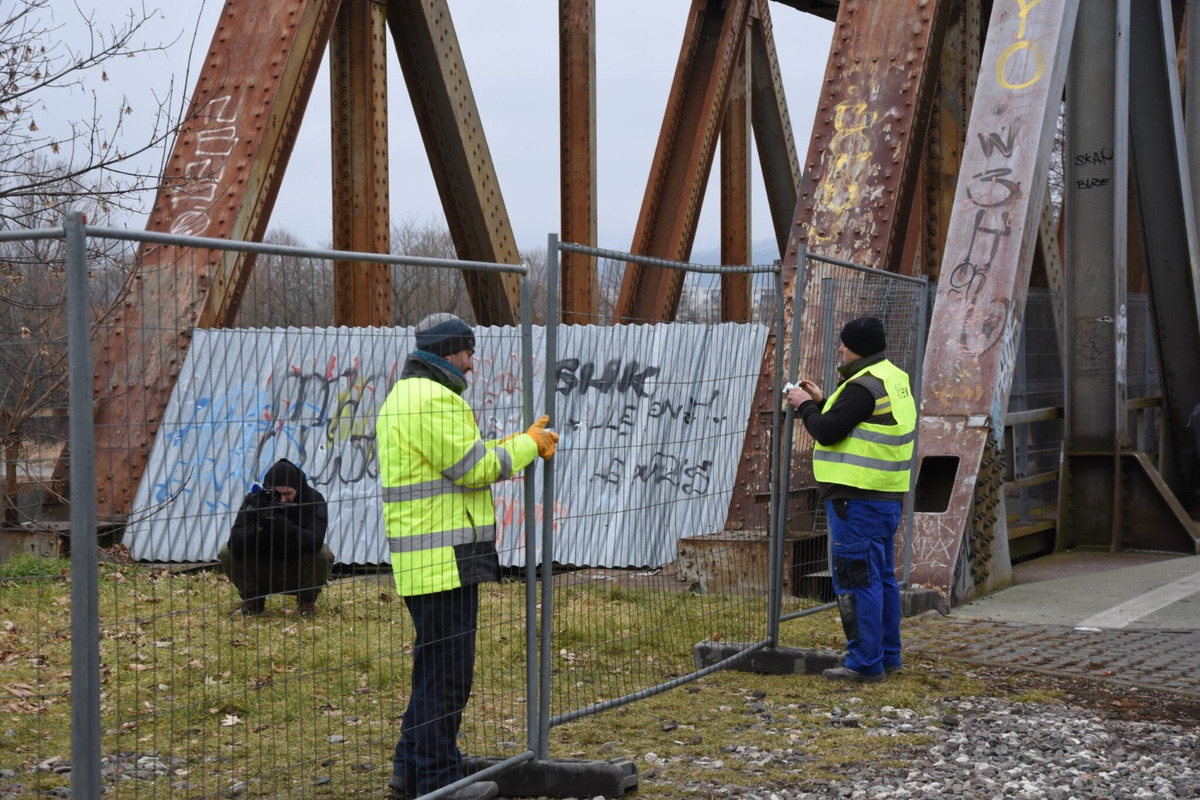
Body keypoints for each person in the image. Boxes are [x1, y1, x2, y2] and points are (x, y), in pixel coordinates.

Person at [376, 313, 558, 800]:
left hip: (425, 562)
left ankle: (409, 774)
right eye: (468, 354)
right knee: (448, 679)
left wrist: (513, 442)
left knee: (432, 670)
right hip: (446, 563)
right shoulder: (435, 400)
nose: (473, 365)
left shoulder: (405, 396)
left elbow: (457, 461)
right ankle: (438, 783)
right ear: (449, 352)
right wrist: (527, 445)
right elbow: (475, 469)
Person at [786, 316, 916, 683]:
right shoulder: (892, 378)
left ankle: (863, 663)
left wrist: (803, 405)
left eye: (843, 344)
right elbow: (864, 422)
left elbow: (827, 432)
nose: (839, 349)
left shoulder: (861, 386)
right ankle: (889, 657)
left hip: (855, 500)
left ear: (856, 347)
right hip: (886, 496)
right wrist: (824, 400)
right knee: (883, 580)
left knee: (857, 581)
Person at [218, 458, 333, 617]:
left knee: (324, 554)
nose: (283, 500)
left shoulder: (313, 500)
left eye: (288, 494)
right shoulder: (255, 500)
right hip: (263, 567)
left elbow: (315, 540)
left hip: (296, 569)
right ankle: (253, 600)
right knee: (225, 552)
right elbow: (234, 543)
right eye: (278, 495)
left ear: (298, 489)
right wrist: (258, 528)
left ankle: (306, 602)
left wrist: (283, 525)